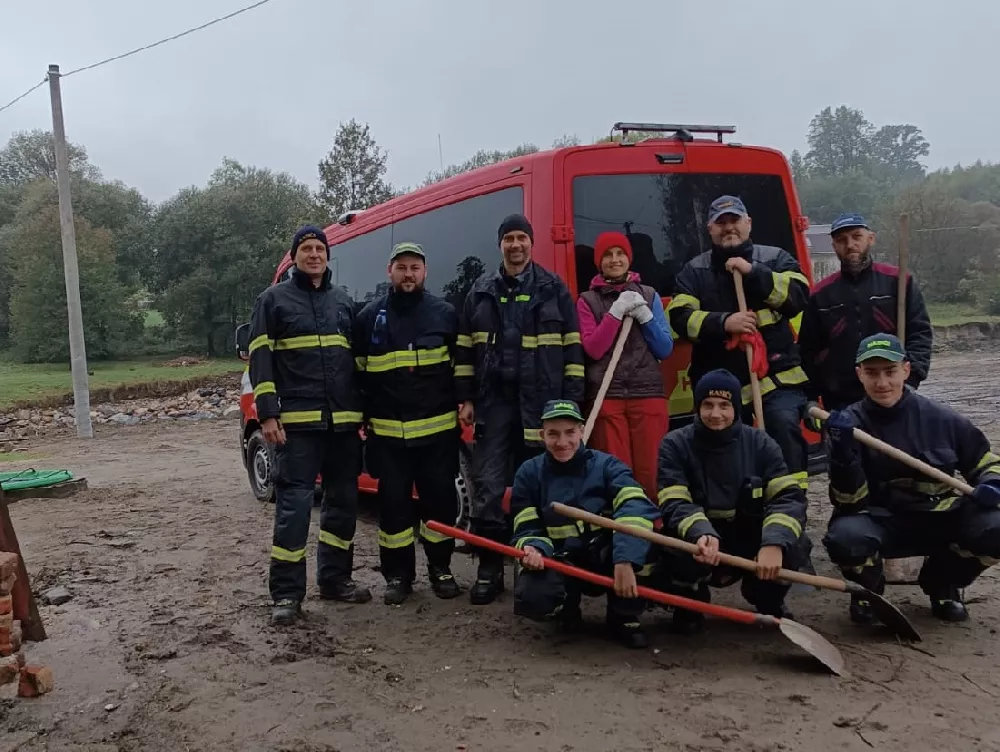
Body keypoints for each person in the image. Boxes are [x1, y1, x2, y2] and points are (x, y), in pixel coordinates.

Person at [822, 334, 1000, 623]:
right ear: (859, 374)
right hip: (881, 520)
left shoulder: (943, 419)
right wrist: (843, 455)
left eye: (890, 372)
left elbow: (985, 462)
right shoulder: (848, 427)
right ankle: (869, 591)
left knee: (996, 527)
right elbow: (849, 503)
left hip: (938, 517)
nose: (882, 383)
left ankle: (943, 584)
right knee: (845, 537)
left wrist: (992, 484)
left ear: (906, 370)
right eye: (872, 373)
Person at [454, 213, 585, 606]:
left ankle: (542, 567)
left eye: (521, 238)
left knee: (542, 486)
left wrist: (572, 405)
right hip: (494, 407)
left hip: (543, 406)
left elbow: (573, 349)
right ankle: (489, 571)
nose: (515, 245)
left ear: (531, 243)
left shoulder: (553, 288)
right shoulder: (479, 291)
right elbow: (464, 351)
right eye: (508, 238)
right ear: (500, 245)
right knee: (489, 488)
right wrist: (466, 397)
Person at [248, 225, 371, 626]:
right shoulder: (273, 300)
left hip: (343, 426)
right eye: (306, 249)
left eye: (320, 248)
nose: (314, 254)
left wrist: (364, 412)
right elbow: (261, 361)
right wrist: (267, 413)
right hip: (296, 428)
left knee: (342, 506)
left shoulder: (343, 303)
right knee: (294, 510)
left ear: (327, 256)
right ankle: (286, 595)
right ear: (295, 255)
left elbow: (356, 364)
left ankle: (336, 580)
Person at [666, 195, 811, 490]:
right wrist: (724, 323)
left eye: (734, 221)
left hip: (776, 379)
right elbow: (680, 317)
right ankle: (742, 516)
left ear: (748, 224)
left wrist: (754, 272)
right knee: (728, 450)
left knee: (783, 426)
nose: (728, 228)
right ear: (710, 229)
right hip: (721, 382)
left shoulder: (775, 259)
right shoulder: (695, 271)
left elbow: (798, 296)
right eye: (721, 223)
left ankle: (791, 513)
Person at [657, 369, 809, 633]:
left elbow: (788, 499)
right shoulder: (675, 444)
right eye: (708, 405)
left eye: (725, 405)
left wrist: (773, 542)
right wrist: (700, 533)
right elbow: (674, 502)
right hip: (702, 541)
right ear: (697, 406)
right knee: (670, 548)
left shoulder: (762, 443)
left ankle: (766, 597)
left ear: (736, 407)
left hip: (747, 537)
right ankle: (690, 602)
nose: (716, 414)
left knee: (793, 544)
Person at [353, 242, 462, 605]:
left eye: (415, 267)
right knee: (395, 512)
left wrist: (467, 402)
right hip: (388, 439)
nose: (408, 274)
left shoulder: (444, 314)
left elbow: (460, 367)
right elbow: (359, 375)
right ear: (390, 271)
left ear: (425, 272)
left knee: (440, 506)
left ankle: (441, 570)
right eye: (401, 267)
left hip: (437, 436)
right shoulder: (369, 318)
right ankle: (398, 577)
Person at [509, 399, 660, 648]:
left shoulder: (607, 466)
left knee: (647, 550)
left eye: (570, 432)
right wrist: (533, 548)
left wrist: (625, 560)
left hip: (605, 557)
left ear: (581, 431)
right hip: (561, 559)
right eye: (553, 434)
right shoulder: (528, 473)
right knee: (535, 596)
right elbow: (526, 525)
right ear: (541, 435)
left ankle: (624, 616)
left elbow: (635, 508)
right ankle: (566, 609)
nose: (562, 442)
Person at [798, 213, 933, 417]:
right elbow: (808, 350)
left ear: (871, 238)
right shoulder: (820, 294)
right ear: (834, 246)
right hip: (840, 399)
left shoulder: (898, 282)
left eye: (856, 236)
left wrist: (911, 378)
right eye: (842, 240)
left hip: (893, 392)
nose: (850, 244)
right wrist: (810, 397)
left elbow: (920, 333)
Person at [577, 231, 674, 502]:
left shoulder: (649, 295)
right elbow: (594, 349)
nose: (615, 259)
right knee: (616, 473)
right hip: (608, 396)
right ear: (599, 262)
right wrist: (614, 314)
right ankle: (625, 531)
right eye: (608, 255)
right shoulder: (587, 301)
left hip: (648, 393)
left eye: (620, 253)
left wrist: (645, 316)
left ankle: (656, 530)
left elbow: (664, 349)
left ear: (629, 258)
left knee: (651, 470)